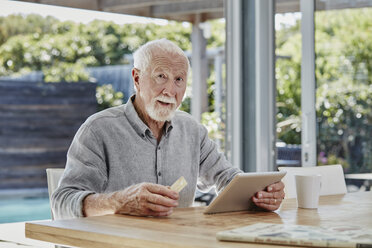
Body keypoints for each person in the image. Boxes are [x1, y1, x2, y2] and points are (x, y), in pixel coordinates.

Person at [52, 39, 285, 219]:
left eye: (179, 80)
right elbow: (62, 202)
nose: (170, 91)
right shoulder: (98, 130)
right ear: (137, 78)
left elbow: (226, 177)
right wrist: (118, 202)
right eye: (161, 76)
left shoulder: (192, 130)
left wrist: (259, 196)